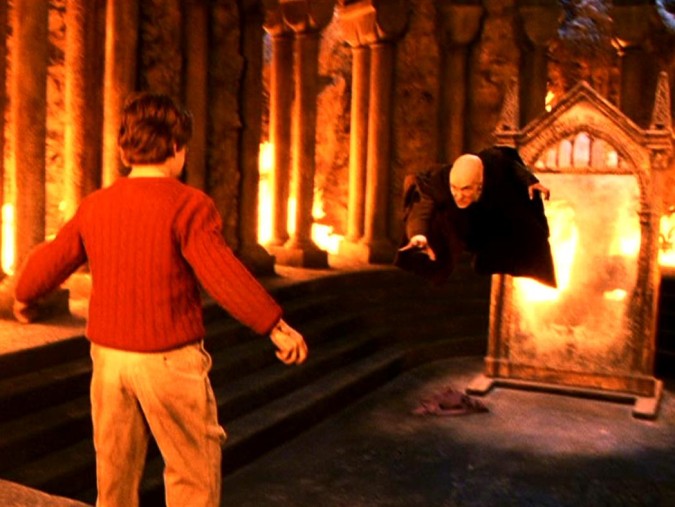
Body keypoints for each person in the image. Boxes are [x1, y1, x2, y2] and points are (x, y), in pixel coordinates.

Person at [13, 92, 308, 507]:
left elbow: (51, 258)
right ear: (176, 146)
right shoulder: (188, 205)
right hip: (170, 361)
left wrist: (24, 295)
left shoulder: (96, 205)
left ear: (124, 150)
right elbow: (222, 273)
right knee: (192, 472)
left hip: (110, 361)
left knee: (114, 477)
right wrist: (274, 325)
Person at [395, 145, 557, 287]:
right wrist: (418, 234)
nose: (459, 196)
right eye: (454, 188)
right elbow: (422, 206)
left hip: (492, 224)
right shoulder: (440, 181)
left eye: (465, 189)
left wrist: (530, 181)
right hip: (462, 228)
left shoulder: (495, 167)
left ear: (480, 186)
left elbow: (511, 166)